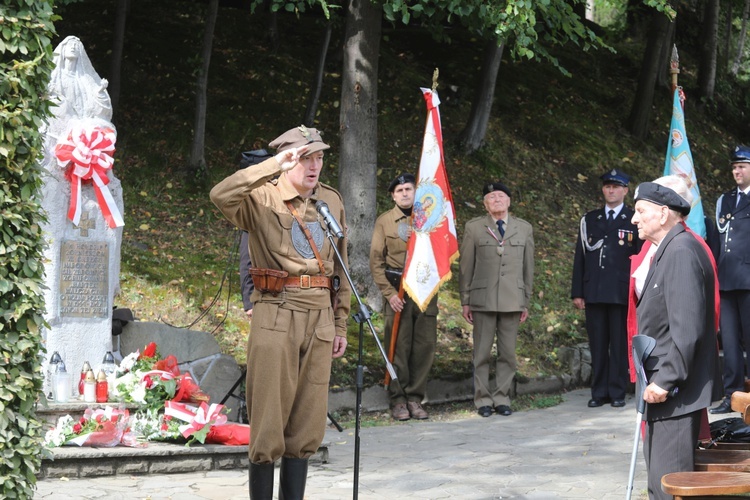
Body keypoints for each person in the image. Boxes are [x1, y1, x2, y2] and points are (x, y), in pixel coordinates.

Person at [210, 125, 351, 500]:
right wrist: (270, 165)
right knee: (269, 421)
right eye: (306, 158)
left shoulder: (331, 202)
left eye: (319, 157)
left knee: (306, 424)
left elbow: (341, 269)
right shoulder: (260, 198)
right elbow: (220, 194)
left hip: (320, 317)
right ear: (287, 160)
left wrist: (340, 324)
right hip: (277, 312)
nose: (314, 166)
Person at [631, 177, 722, 500]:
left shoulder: (682, 250)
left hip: (674, 392)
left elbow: (688, 328)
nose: (634, 218)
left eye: (641, 211)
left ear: (664, 213)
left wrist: (666, 380)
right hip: (664, 388)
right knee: (659, 482)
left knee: (669, 484)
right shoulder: (668, 248)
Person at [459, 182, 534, 418]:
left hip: (513, 300)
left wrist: (526, 301)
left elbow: (528, 267)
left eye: (501, 196)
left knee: (507, 354)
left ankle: (502, 398)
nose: (497, 200)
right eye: (491, 197)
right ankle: (482, 399)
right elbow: (466, 266)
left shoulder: (524, 228)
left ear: (509, 201)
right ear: (485, 203)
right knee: (481, 354)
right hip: (483, 299)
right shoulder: (474, 227)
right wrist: (466, 300)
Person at [369, 173, 437, 421]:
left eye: (409, 188)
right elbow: (376, 262)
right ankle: (397, 399)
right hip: (397, 291)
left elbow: (440, 254)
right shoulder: (385, 222)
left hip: (425, 290)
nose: (405, 193)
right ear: (393, 196)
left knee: (424, 346)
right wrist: (388, 294)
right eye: (400, 190)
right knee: (397, 346)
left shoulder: (431, 220)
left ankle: (415, 398)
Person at [571, 169, 641, 408]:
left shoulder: (634, 219)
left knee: (620, 345)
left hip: (622, 292)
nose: (611, 190)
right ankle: (599, 392)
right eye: (607, 186)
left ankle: (618, 391)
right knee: (598, 344)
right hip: (595, 291)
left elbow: (640, 258)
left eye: (616, 187)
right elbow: (580, 257)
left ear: (625, 190)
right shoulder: (590, 219)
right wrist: (578, 291)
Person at [710, 145, 750, 414]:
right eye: (734, 167)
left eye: (742, 166)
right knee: (731, 343)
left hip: (749, 281)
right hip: (725, 282)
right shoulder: (724, 200)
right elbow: (716, 241)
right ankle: (732, 395)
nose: (737, 171)